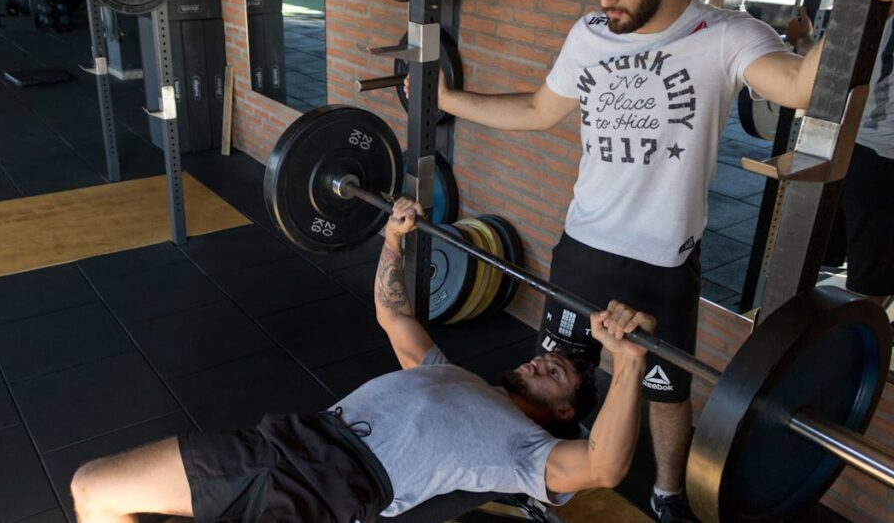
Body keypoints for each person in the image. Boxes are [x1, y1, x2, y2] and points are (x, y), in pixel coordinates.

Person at [406, 0, 894, 520]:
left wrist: (865, 4)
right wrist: (448, 101)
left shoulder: (726, 35)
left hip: (662, 265)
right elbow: (537, 109)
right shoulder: (589, 32)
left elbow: (802, 87)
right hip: (582, 251)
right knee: (553, 375)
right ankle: (539, 476)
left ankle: (668, 495)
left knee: (667, 391)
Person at [69, 198, 657, 523]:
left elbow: (604, 467)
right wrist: (395, 239)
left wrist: (626, 364)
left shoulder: (528, 452)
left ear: (560, 415)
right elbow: (393, 317)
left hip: (325, 496)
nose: (538, 363)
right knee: (94, 488)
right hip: (283, 440)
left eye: (556, 375)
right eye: (543, 359)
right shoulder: (446, 370)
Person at [788, 6, 894, 309]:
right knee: (866, 278)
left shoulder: (868, 16)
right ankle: (845, 340)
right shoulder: (865, 15)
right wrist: (805, 41)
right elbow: (820, 79)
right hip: (863, 153)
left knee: (868, 279)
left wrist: (804, 41)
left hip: (865, 153)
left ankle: (850, 341)